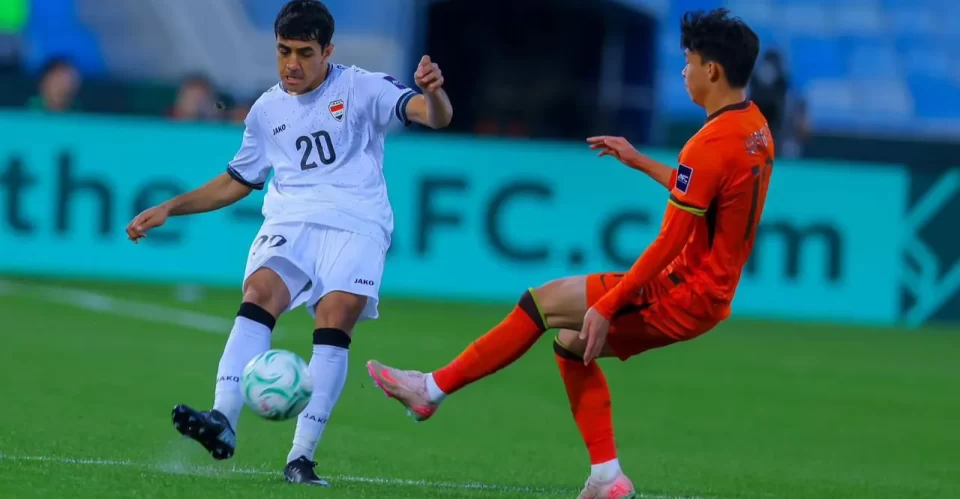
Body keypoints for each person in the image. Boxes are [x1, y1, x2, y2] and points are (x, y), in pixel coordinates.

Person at [367, 8, 770, 499]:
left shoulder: (708, 144)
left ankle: (429, 390)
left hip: (684, 291)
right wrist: (640, 161)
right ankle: (607, 477)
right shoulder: (754, 127)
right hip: (709, 292)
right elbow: (707, 195)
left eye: (689, 62)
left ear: (712, 70)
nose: (683, 72)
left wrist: (609, 304)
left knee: (540, 302)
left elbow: (668, 243)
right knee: (571, 345)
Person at [124, 0, 452, 486]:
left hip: (357, 222)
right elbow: (237, 180)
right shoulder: (266, 110)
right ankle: (222, 419)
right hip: (292, 219)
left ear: (328, 52)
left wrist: (435, 94)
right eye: (283, 51)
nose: (291, 64)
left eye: (304, 52)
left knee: (335, 316)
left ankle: (301, 457)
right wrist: (171, 207)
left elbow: (433, 116)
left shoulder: (361, 87)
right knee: (259, 293)